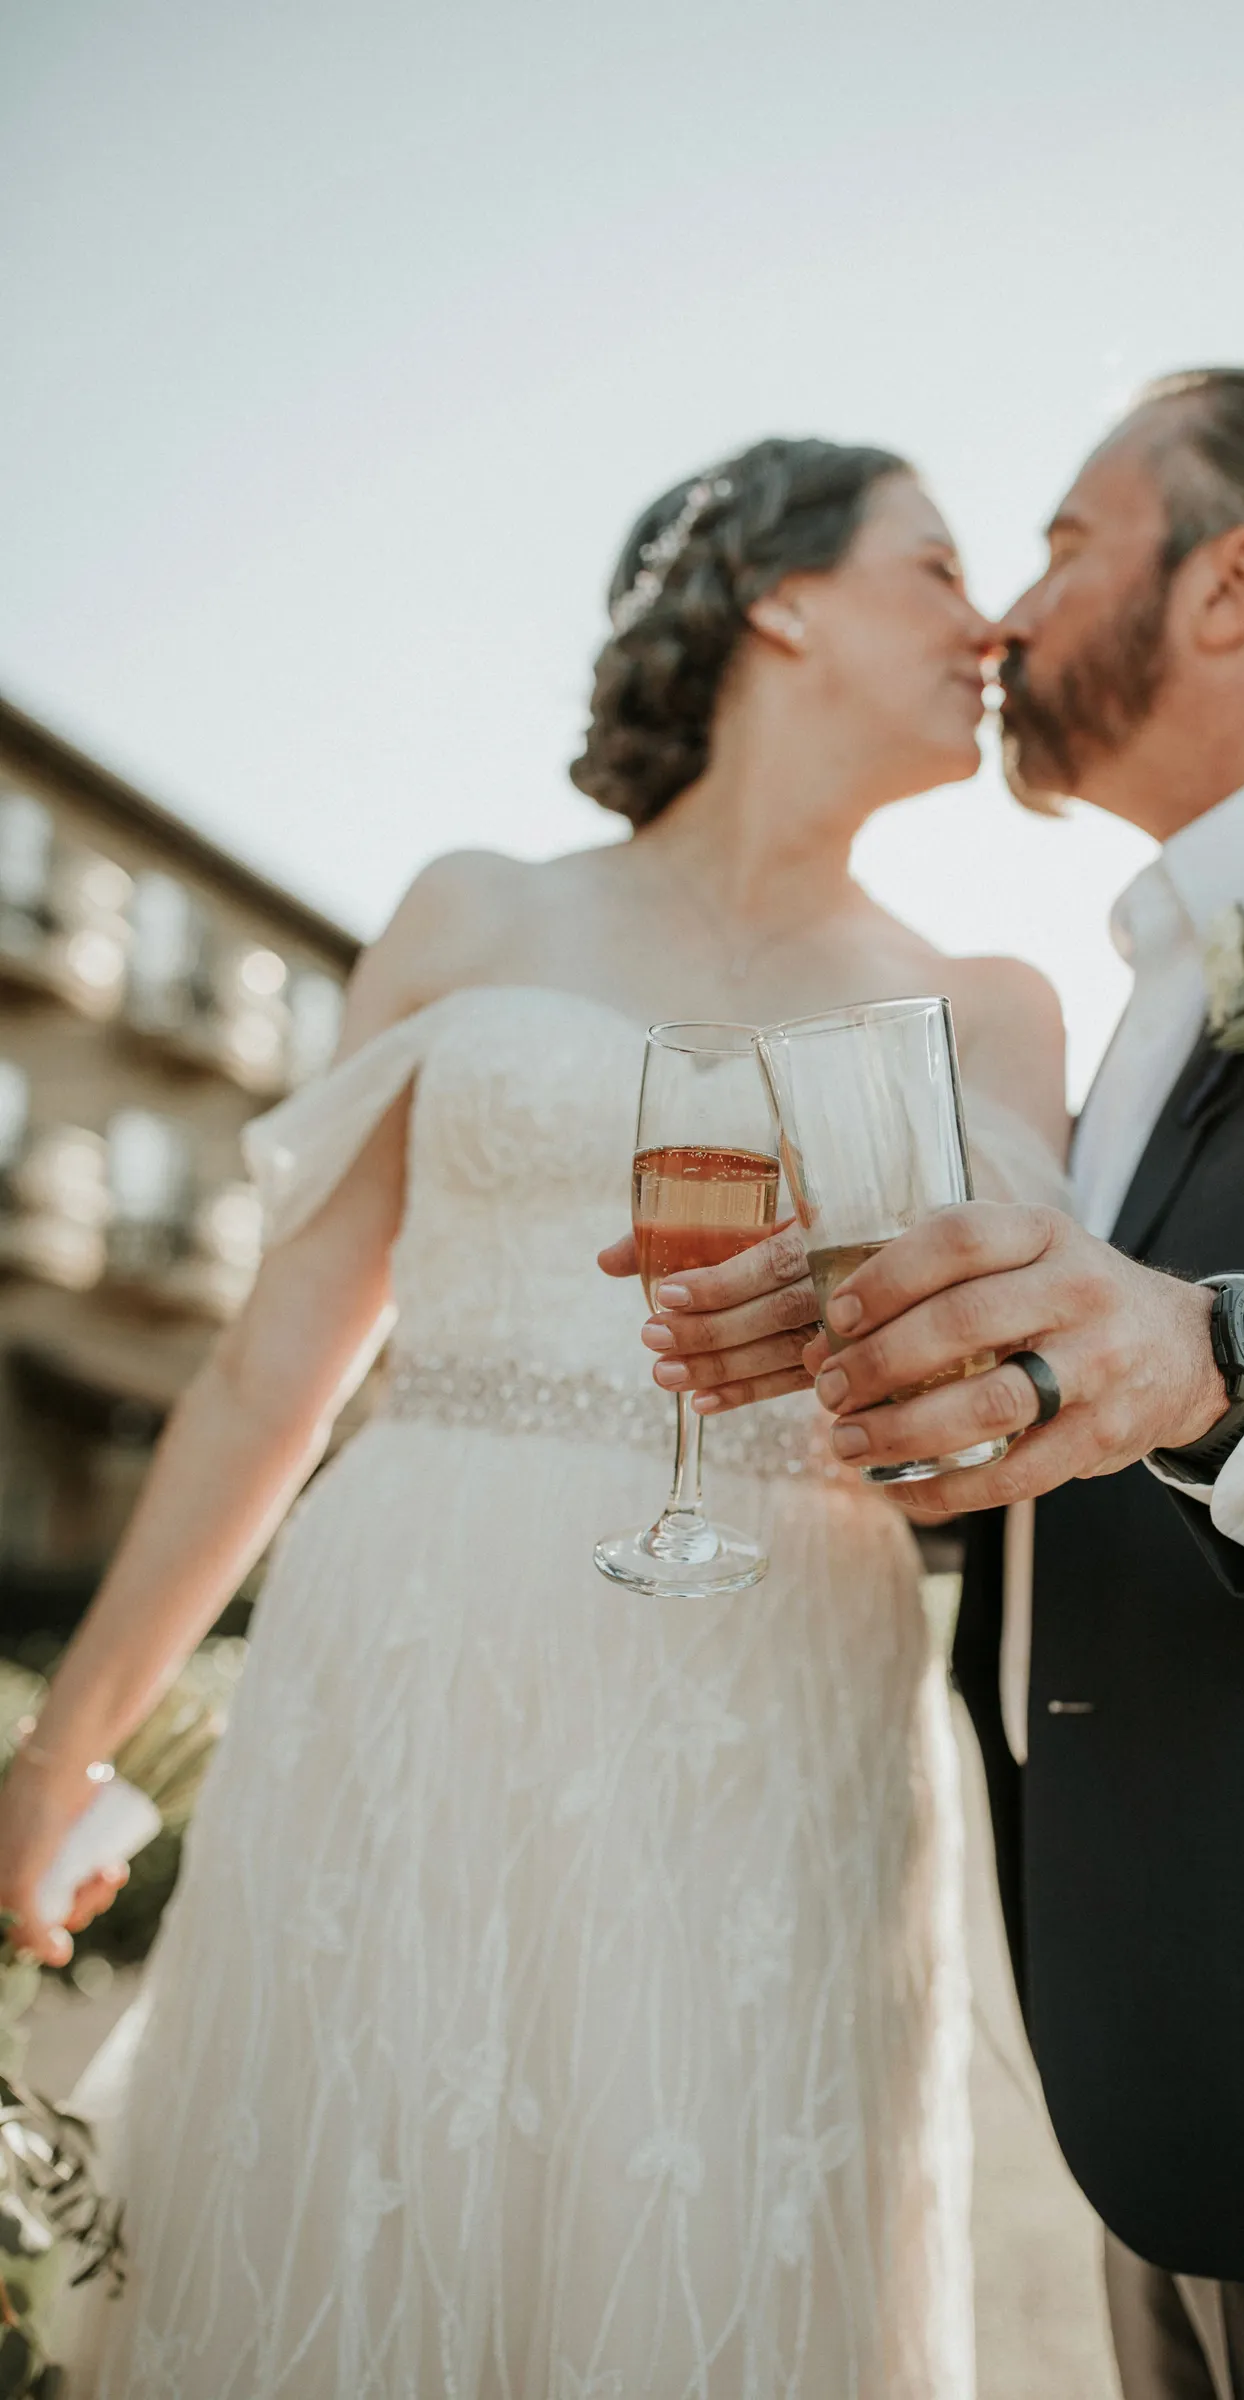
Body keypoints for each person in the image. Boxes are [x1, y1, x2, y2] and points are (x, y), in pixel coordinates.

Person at [0, 437, 1071, 2398]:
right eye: (933, 567)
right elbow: (266, 1368)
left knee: (705, 2222)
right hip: (415, 1649)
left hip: (771, 1681)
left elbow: (1003, 1407)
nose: (988, 621)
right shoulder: (472, 911)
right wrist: (60, 1757)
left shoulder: (989, 1005)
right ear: (780, 597)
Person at [641, 372, 1244, 2398]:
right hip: (1163, 2065)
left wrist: (1208, 1358)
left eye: (1067, 543)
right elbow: (1111, 1416)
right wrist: (931, 1399)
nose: (1007, 613)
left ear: (1237, 576)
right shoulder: (1137, 974)